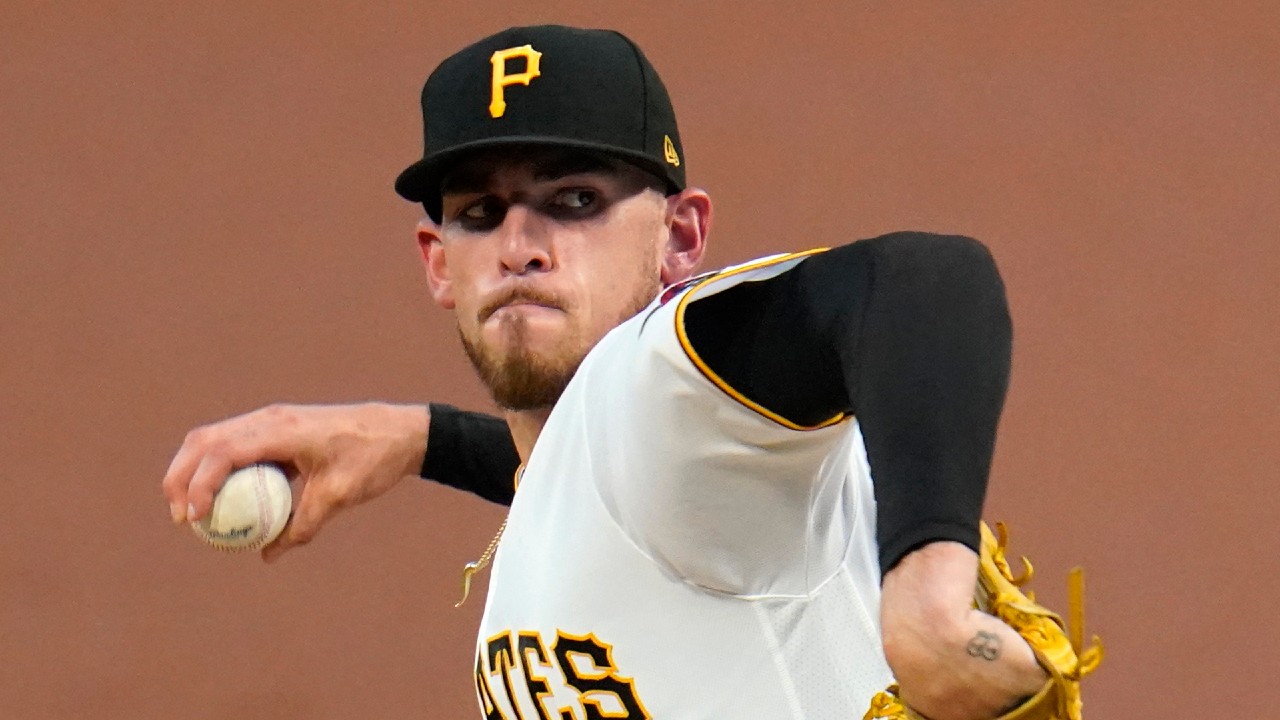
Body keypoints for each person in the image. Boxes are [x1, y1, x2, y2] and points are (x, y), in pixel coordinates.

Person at [163, 25, 1068, 720]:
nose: (520, 246)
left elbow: (917, 279)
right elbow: (585, 482)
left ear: (680, 238)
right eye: (481, 213)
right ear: (439, 262)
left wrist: (927, 600)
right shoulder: (621, 460)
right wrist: (423, 439)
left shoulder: (654, 377)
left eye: (574, 202)